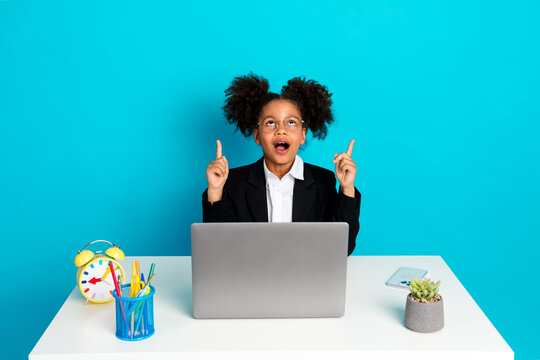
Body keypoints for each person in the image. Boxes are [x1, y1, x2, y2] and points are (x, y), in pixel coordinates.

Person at [202, 73, 361, 255]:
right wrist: (215, 190)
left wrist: (347, 188)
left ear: (302, 135)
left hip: (305, 275)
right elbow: (220, 248)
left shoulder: (323, 181)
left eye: (291, 122)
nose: (281, 130)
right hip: (251, 275)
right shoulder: (233, 181)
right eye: (271, 123)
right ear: (257, 136)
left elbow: (342, 248)